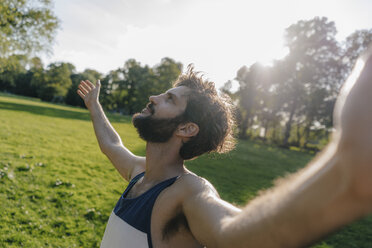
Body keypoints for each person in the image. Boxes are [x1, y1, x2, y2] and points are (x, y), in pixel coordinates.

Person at [77, 45, 372, 248]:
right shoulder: (140, 173)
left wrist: (345, 174)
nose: (154, 97)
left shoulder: (188, 193)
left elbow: (234, 235)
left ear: (186, 128)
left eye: (169, 99)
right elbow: (111, 144)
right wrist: (94, 105)